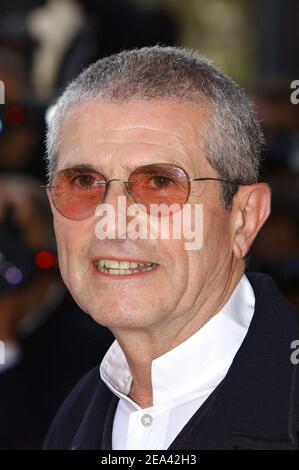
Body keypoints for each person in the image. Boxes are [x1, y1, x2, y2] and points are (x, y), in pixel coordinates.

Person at [43, 46, 299, 450]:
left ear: (244, 217)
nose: (113, 221)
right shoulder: (74, 416)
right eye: (84, 182)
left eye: (160, 183)